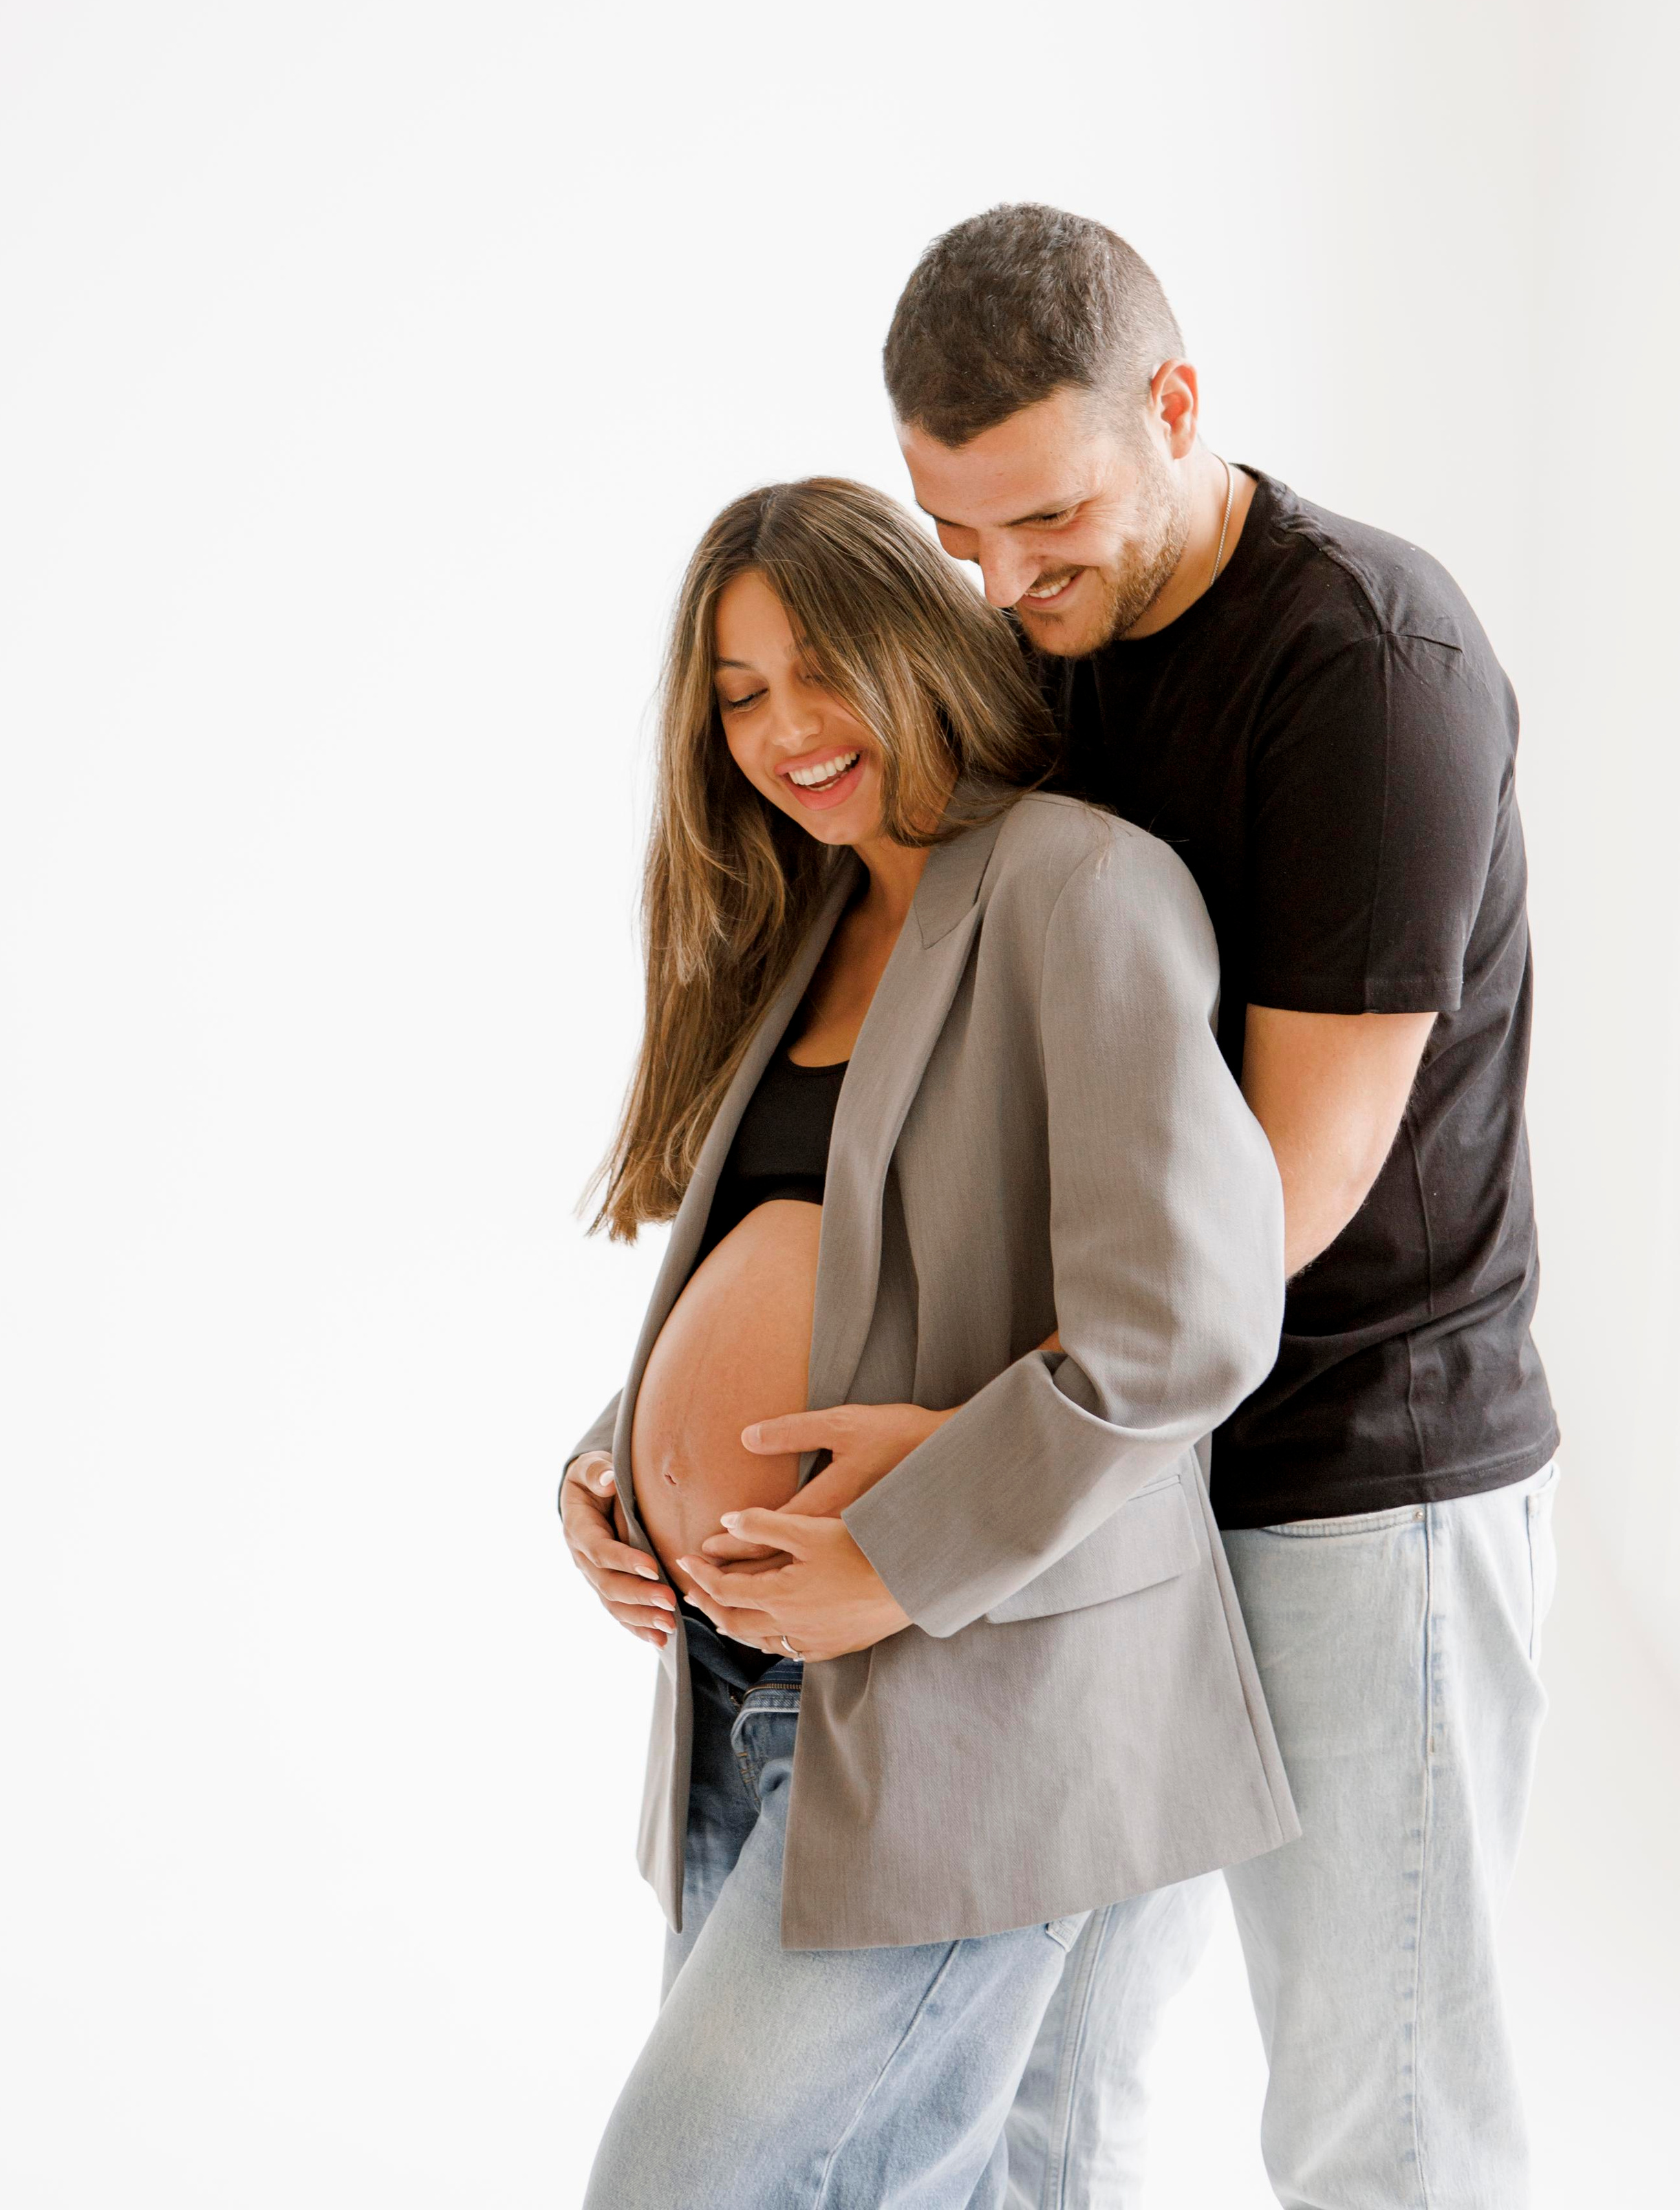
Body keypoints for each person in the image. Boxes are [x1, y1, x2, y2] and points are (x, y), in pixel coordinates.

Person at [880, 204, 1561, 2210]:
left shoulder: (1367, 663)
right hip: (1131, 1469)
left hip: (1367, 1472)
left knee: (1387, 2120)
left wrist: (993, 1459)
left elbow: (1292, 1186)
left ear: (1177, 405)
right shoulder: (1037, 642)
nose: (1005, 583)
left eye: (1050, 522)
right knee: (1037, 2076)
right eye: (956, 535)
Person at [560, 477, 1295, 2210]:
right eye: (736, 694)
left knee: (674, 2184)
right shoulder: (800, 921)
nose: (786, 730)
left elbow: (1185, 1320)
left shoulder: (1077, 886)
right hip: (741, 1688)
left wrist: (895, 1561)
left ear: (914, 633)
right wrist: (611, 1469)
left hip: (969, 1700)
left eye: (817, 668)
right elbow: (790, 1262)